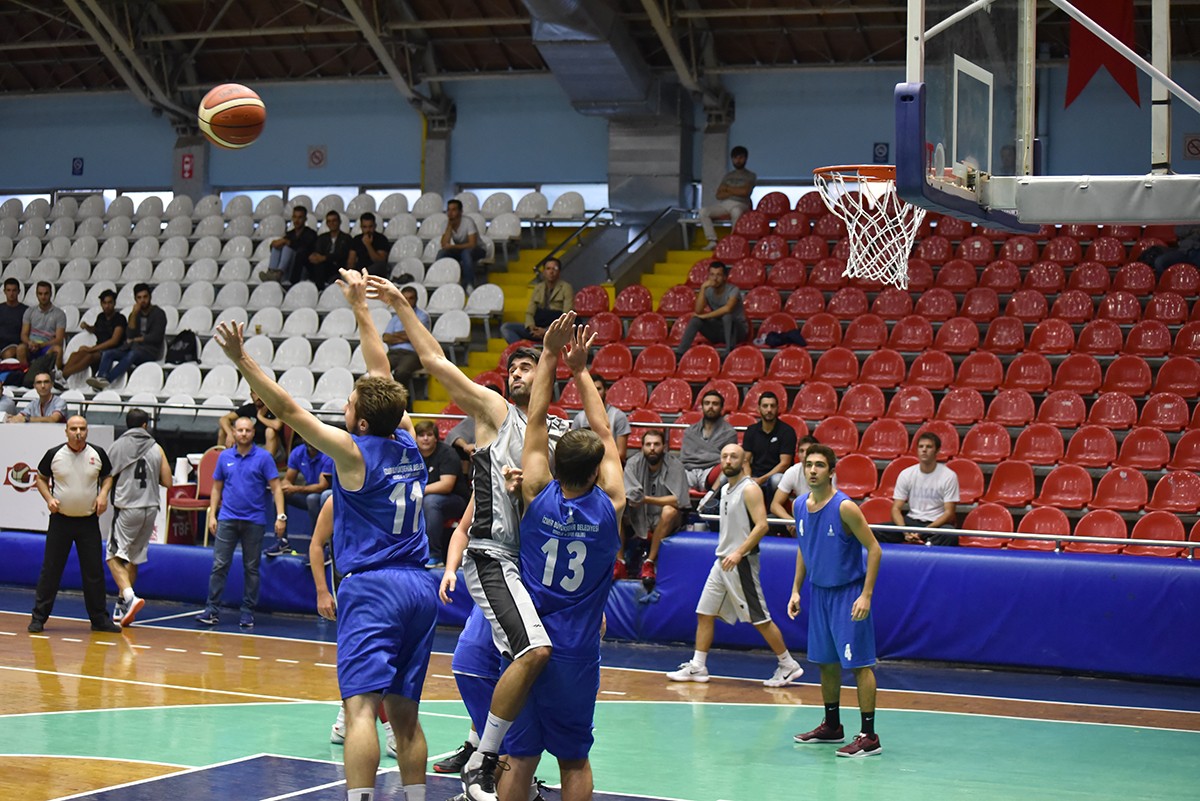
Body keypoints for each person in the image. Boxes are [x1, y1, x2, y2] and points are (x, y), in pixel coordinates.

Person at [216, 265, 435, 801]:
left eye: (349, 405)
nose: (344, 406)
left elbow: (288, 409)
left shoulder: (354, 453)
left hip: (375, 587)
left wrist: (241, 361)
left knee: (361, 709)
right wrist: (361, 306)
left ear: (359, 423)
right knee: (405, 717)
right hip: (420, 587)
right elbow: (380, 370)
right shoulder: (407, 439)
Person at [366, 273, 570, 801]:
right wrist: (398, 305)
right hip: (493, 554)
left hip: (532, 570)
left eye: (530, 365)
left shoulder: (561, 435)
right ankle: (486, 758)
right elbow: (434, 360)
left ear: (548, 373)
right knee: (512, 657)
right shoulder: (494, 412)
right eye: (514, 368)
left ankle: (499, 757)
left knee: (492, 665)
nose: (519, 372)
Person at [494, 315, 623, 801]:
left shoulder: (535, 491)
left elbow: (536, 418)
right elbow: (605, 430)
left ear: (554, 464)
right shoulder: (610, 506)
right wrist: (582, 370)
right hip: (576, 649)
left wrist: (548, 355)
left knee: (520, 758)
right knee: (574, 759)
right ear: (596, 471)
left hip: (528, 643)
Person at [667, 444, 803, 688]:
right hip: (722, 561)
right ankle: (698, 666)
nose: (728, 460)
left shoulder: (749, 489)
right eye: (724, 457)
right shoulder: (726, 488)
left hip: (741, 563)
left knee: (759, 618)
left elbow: (762, 525)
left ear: (743, 461)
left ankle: (787, 664)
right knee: (704, 612)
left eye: (734, 457)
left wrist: (740, 552)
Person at [789, 444, 884, 758]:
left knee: (859, 664)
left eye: (819, 465)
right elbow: (805, 548)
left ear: (831, 471)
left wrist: (866, 595)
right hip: (820, 594)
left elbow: (874, 549)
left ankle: (869, 735)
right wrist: (796, 590)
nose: (813, 470)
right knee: (826, 663)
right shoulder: (800, 505)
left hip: (848, 594)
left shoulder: (845, 507)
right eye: (808, 464)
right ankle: (832, 726)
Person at [28, 415, 120, 633]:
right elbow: (40, 478)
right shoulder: (54, 454)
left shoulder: (97, 453)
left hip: (88, 522)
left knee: (94, 572)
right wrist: (49, 499)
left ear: (87, 431)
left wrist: (103, 495)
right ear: (66, 431)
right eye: (74, 429)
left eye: (82, 428)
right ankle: (38, 618)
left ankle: (99, 620)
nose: (78, 433)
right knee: (50, 570)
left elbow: (108, 476)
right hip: (61, 521)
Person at [195, 416, 286, 630]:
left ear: (254, 433)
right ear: (234, 433)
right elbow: (216, 487)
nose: (244, 434)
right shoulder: (224, 457)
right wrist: (212, 515)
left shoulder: (264, 458)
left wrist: (281, 516)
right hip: (227, 518)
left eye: (248, 430)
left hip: (254, 521)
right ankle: (211, 610)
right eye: (240, 430)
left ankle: (247, 612)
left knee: (251, 568)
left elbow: (277, 488)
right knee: (219, 566)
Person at [105, 408, 172, 627]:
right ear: (145, 425)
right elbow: (168, 481)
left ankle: (129, 596)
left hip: (128, 507)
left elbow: (107, 476)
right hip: (151, 507)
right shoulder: (156, 447)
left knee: (113, 556)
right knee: (133, 557)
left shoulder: (118, 446)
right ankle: (122, 603)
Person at [618, 428, 689, 587]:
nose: (652, 448)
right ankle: (620, 562)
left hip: (666, 521)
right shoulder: (633, 463)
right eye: (648, 444)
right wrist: (635, 499)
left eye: (656, 444)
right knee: (615, 508)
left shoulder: (675, 465)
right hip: (638, 516)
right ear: (641, 447)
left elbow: (679, 500)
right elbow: (629, 494)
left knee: (669, 510)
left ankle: (649, 562)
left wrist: (646, 499)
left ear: (664, 446)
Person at [86, 283, 167, 390]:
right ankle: (100, 379)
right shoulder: (135, 314)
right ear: (135, 299)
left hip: (149, 351)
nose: (142, 300)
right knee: (108, 353)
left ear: (150, 297)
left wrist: (138, 339)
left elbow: (156, 337)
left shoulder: (159, 314)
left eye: (145, 297)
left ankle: (106, 380)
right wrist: (133, 314)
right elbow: (129, 334)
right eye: (139, 298)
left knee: (132, 354)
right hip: (132, 347)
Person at [887, 432, 960, 546]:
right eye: (921, 447)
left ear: (937, 451)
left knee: (950, 534)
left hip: (935, 524)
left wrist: (923, 532)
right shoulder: (906, 474)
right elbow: (895, 509)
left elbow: (949, 513)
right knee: (875, 531)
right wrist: (905, 531)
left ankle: (925, 541)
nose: (924, 450)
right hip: (911, 521)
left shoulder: (949, 476)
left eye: (929, 447)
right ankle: (921, 542)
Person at [414, 420, 468, 570]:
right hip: (426, 498)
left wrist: (417, 491)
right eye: (421, 435)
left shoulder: (447, 453)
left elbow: (446, 485)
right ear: (415, 438)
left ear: (436, 438)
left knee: (430, 502)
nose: (425, 438)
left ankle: (434, 555)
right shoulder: (413, 455)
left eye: (429, 435)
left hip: (456, 500)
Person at [269, 436, 334, 557]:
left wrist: (296, 488)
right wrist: (285, 486)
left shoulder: (327, 453)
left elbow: (322, 486)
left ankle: (321, 545)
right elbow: (288, 479)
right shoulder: (298, 452)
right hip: (309, 494)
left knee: (313, 499)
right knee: (281, 495)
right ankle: (282, 542)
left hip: (328, 498)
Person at [673, 261, 748, 357]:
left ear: (725, 277)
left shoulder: (733, 290)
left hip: (737, 332)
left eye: (718, 275)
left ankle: (729, 353)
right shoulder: (708, 290)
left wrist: (705, 316)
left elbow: (727, 309)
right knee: (696, 319)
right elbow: (698, 311)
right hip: (718, 331)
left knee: (727, 316)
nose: (715, 278)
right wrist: (703, 288)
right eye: (712, 275)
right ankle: (680, 353)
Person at [500, 259, 574, 345]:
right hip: (537, 326)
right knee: (506, 327)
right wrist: (531, 327)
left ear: (559, 272)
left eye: (554, 269)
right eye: (548, 269)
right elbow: (529, 313)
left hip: (555, 328)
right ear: (544, 272)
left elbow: (567, 315)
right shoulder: (538, 287)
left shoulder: (566, 288)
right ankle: (523, 350)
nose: (551, 272)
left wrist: (546, 330)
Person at [698, 145, 756, 250]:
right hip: (725, 204)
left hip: (742, 204)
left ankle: (733, 241)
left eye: (740, 157)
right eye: (735, 158)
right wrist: (736, 190)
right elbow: (719, 195)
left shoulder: (750, 175)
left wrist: (728, 189)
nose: (738, 160)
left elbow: (745, 192)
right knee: (703, 211)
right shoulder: (728, 176)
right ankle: (712, 240)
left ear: (745, 159)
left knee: (736, 212)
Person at [770, 436, 833, 533]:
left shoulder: (827, 472)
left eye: (808, 451)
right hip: (801, 517)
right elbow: (775, 505)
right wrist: (791, 521)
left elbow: (831, 505)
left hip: (823, 517)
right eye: (801, 451)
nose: (804, 455)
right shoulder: (792, 472)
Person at [61, 289, 127, 383]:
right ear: (101, 304)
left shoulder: (120, 318)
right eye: (104, 303)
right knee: (76, 354)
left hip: (112, 351)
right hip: (98, 349)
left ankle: (64, 375)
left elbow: (114, 341)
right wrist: (87, 327)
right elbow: (97, 329)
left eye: (110, 303)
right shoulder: (101, 317)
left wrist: (91, 349)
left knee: (89, 357)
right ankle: (62, 378)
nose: (107, 306)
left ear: (114, 303)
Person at [679, 390, 738, 492]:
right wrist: (711, 456)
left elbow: (727, 459)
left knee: (727, 467)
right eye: (707, 403)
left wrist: (700, 457)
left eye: (715, 404)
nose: (710, 407)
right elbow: (684, 457)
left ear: (721, 408)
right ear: (702, 407)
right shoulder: (690, 431)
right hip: (688, 471)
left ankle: (710, 496)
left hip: (712, 472)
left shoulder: (729, 432)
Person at [741, 392, 797, 498]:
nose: (769, 410)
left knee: (776, 479)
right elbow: (745, 460)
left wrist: (761, 480)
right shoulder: (751, 430)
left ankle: (771, 511)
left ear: (778, 408)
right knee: (731, 476)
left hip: (778, 475)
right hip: (755, 474)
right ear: (758, 409)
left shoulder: (787, 431)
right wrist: (748, 478)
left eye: (772, 406)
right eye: (765, 406)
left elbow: (784, 464)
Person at [568, 375, 630, 460]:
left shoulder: (619, 416)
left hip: (611, 465)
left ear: (606, 391)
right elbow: (573, 448)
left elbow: (621, 453)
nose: (595, 393)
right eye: (591, 389)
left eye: (598, 389)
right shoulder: (579, 418)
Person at [383, 286, 432, 388]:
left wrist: (396, 336)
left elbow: (418, 336)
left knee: (401, 372)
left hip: (413, 354)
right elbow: (386, 338)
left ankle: (402, 401)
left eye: (411, 298)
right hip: (394, 353)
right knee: (377, 369)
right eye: (405, 298)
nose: (408, 301)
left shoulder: (423, 316)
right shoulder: (396, 317)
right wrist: (408, 335)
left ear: (416, 299)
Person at [259, 204, 319, 284]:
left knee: (287, 248)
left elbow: (304, 250)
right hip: (288, 268)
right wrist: (274, 244)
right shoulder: (290, 234)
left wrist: (287, 242)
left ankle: (279, 273)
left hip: (301, 268)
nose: (297, 220)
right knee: (277, 246)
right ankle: (272, 272)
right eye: (294, 217)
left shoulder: (311, 234)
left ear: (305, 219)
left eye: (300, 217)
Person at [18, 280, 66, 373]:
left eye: (46, 293)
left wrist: (40, 345)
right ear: (36, 294)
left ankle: (57, 377)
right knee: (20, 348)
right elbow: (23, 334)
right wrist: (30, 342)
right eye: (40, 294)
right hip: (31, 346)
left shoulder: (59, 314)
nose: (43, 297)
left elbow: (59, 339)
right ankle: (25, 374)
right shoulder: (29, 311)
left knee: (58, 350)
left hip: (47, 346)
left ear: (51, 294)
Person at [218, 389, 283, 458]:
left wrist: (260, 417)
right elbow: (223, 419)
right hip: (248, 444)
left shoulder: (275, 409)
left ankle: (267, 463)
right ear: (251, 395)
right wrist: (230, 434)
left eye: (261, 393)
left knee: (270, 431)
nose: (258, 397)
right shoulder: (248, 408)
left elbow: (277, 425)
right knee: (223, 430)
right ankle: (220, 460)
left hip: (269, 447)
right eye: (255, 393)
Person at [437, 199, 486, 288]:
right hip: (460, 250)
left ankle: (469, 285)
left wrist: (453, 246)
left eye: (454, 210)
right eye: (449, 210)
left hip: (478, 250)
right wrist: (449, 226)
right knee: (441, 253)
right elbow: (444, 245)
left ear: (461, 212)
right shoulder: (446, 224)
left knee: (466, 253)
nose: (450, 213)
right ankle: (439, 281)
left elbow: (472, 244)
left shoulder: (468, 222)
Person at [307, 210, 353, 288]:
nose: (331, 223)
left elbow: (342, 254)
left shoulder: (347, 238)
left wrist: (325, 258)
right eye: (329, 221)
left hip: (339, 267)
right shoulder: (322, 237)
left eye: (334, 221)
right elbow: (318, 252)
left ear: (339, 222)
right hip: (324, 265)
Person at [348, 212, 392, 277]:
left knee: (379, 266)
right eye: (365, 227)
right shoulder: (356, 239)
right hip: (359, 271)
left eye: (370, 226)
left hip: (375, 271)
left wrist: (368, 245)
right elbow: (351, 261)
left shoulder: (382, 239)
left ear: (375, 226)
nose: (368, 230)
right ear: (361, 227)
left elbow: (379, 261)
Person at [0, 277, 28, 359]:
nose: (11, 293)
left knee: (8, 354)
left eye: (14, 290)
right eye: (8, 290)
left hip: (14, 344)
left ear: (18, 292)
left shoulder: (25, 310)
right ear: (4, 292)